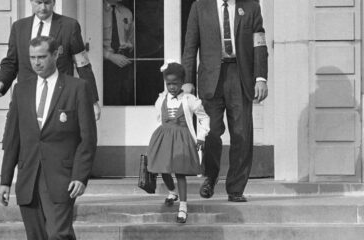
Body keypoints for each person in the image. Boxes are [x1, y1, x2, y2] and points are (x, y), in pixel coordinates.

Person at [0, 36, 97, 240]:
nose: (37, 62)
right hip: (29, 177)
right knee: (36, 236)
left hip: (62, 177)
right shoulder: (21, 89)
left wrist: (80, 175)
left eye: (42, 57)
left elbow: (88, 138)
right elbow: (13, 138)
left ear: (55, 54)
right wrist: (5, 180)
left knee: (58, 234)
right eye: (32, 57)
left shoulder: (77, 88)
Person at [182, 0, 268, 202]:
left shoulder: (251, 6)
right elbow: (190, 46)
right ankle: (210, 177)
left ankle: (236, 188)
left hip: (240, 76)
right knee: (211, 132)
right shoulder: (199, 7)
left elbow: (259, 45)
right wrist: (187, 81)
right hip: (211, 79)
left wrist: (261, 78)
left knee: (242, 134)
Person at [0, 0, 101, 120]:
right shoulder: (19, 27)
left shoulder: (69, 26)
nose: (43, 7)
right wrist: (1, 81)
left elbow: (83, 65)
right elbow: (12, 61)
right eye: (38, 2)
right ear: (31, 2)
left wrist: (93, 100)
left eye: (47, 2)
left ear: (54, 2)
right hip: (26, 101)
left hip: (59, 101)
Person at [147, 62, 210, 223]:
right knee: (163, 168)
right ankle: (172, 191)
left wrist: (202, 136)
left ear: (182, 83)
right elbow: (158, 118)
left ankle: (183, 206)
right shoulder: (162, 100)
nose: (172, 87)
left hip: (182, 139)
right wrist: (154, 140)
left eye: (175, 83)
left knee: (180, 172)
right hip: (164, 137)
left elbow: (204, 118)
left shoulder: (190, 100)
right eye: (169, 84)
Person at [103, 0, 134, 105]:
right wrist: (109, 56)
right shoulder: (97, 12)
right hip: (105, 62)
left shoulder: (126, 12)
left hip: (124, 60)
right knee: (109, 98)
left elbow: (131, 37)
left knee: (126, 97)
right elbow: (91, 42)